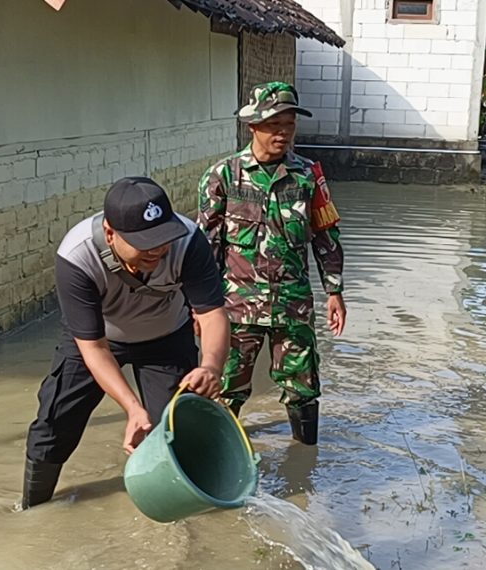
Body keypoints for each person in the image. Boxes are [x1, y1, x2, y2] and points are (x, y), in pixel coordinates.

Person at [21, 176, 230, 509]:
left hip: (167, 337)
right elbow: (93, 348)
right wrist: (132, 408)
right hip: (99, 340)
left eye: (163, 238)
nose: (158, 250)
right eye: (145, 243)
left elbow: (211, 315)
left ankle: (181, 518)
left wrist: (210, 365)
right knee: (55, 423)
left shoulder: (189, 242)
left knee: (176, 430)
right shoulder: (77, 256)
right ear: (109, 233)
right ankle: (32, 509)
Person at [196, 81, 346, 446]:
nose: (283, 132)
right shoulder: (224, 177)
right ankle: (219, 457)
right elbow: (204, 249)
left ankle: (306, 466)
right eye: (274, 124)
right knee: (226, 388)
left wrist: (334, 291)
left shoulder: (309, 176)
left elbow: (326, 235)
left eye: (289, 124)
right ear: (253, 126)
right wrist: (198, 308)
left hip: (292, 305)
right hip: (235, 308)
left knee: (304, 387)